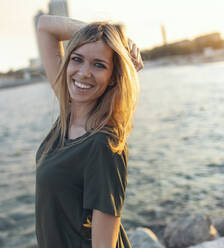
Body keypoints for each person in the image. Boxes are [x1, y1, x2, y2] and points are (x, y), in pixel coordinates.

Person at [35, 14, 143, 248]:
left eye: (99, 65)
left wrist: (110, 40)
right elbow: (44, 27)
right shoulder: (68, 113)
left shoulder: (103, 145)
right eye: (77, 59)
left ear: (113, 78)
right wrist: (104, 35)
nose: (84, 73)